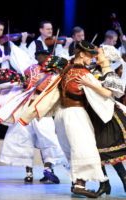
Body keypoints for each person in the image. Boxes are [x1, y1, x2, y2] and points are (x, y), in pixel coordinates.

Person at [0, 50, 69, 184]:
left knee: (41, 140)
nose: (44, 60)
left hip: (35, 111)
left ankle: (41, 172)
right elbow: (27, 86)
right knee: (36, 141)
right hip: (34, 110)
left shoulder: (49, 72)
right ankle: (38, 171)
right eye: (43, 58)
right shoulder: (39, 71)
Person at [54, 41, 107, 198]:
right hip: (75, 112)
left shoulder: (66, 69)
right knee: (84, 148)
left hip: (61, 113)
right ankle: (79, 184)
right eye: (90, 56)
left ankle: (75, 182)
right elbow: (104, 94)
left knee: (71, 149)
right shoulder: (84, 74)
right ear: (82, 54)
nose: (91, 59)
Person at [76, 45, 126, 196]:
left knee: (107, 152)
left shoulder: (111, 76)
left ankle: (123, 180)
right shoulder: (92, 70)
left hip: (108, 117)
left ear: (108, 57)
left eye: (100, 53)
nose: (96, 55)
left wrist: (89, 84)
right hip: (92, 116)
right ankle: (104, 183)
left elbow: (106, 93)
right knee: (94, 153)